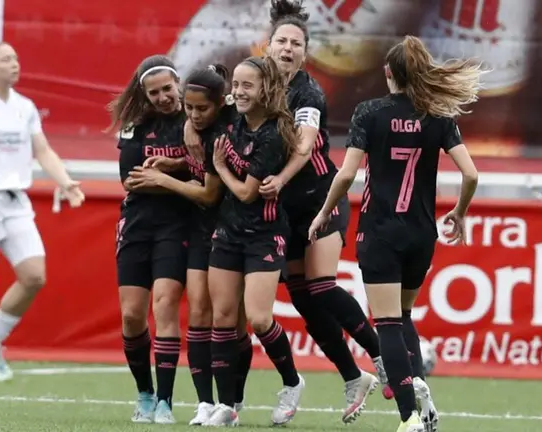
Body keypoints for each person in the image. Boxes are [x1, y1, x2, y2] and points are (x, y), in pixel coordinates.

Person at [309, 35, 481, 432]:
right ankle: (421, 394)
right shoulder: (438, 116)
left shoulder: (369, 112)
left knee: (385, 323)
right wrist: (459, 212)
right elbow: (471, 174)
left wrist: (323, 212)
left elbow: (348, 174)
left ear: (387, 73)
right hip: (422, 233)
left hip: (381, 231)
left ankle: (409, 418)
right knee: (403, 317)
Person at [258, 0, 391, 421]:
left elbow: (304, 142)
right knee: (302, 300)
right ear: (268, 44)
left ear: (305, 51)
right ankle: (354, 376)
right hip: (285, 212)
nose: (288, 48)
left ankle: (382, 355)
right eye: (281, 40)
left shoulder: (308, 91)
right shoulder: (254, 85)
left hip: (322, 198)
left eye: (296, 43)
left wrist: (279, 175)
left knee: (320, 286)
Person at [0, 41, 85, 382]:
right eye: (6, 59)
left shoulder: (25, 106)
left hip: (15, 202)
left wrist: (66, 182)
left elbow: (43, 151)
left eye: (16, 58)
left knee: (34, 275)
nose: (14, 64)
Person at [127, 65, 253, 425]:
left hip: (234, 225)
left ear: (219, 104)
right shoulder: (192, 124)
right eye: (190, 109)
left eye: (200, 109)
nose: (193, 114)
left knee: (241, 320)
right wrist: (177, 160)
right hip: (200, 228)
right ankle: (204, 403)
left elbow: (210, 194)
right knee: (198, 309)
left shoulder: (229, 124)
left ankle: (236, 398)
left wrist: (162, 178)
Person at [205, 56, 303, 427]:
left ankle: (292, 383)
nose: (239, 92)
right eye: (237, 85)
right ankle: (227, 405)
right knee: (224, 319)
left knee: (260, 319)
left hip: (264, 234)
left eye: (248, 85)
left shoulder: (274, 133)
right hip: (228, 233)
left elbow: (247, 193)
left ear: (266, 89)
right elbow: (199, 108)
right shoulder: (233, 119)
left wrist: (221, 169)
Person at [109, 54, 191, 424]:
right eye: (154, 92)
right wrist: (180, 179)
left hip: (178, 225)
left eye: (167, 89)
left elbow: (204, 172)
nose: (162, 97)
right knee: (130, 316)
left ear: (179, 85)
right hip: (138, 225)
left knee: (165, 306)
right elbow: (130, 178)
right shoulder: (134, 124)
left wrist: (167, 172)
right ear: (144, 93)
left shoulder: (195, 120)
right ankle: (144, 392)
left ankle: (165, 401)